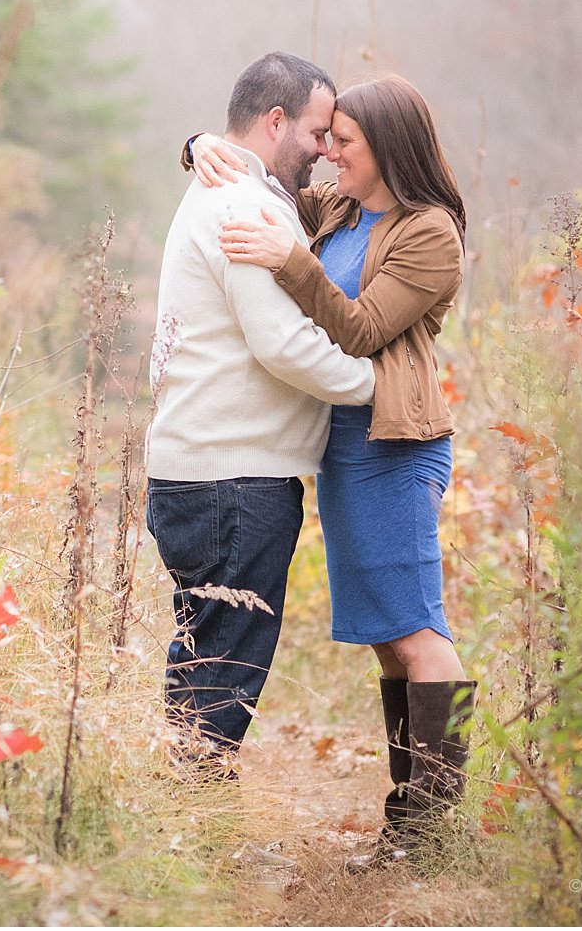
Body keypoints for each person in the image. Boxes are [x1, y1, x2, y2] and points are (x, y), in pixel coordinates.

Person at [187, 72, 475, 860]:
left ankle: (428, 830)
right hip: (343, 449)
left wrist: (290, 261)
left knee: (418, 631)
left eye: (343, 142)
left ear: (387, 148)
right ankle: (410, 821)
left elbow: (359, 329)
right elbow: (271, 182)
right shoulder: (342, 208)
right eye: (328, 138)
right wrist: (201, 147)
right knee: (389, 636)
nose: (327, 155)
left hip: (396, 447)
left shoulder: (428, 233)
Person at [143, 52, 376, 774]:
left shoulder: (223, 191)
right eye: (314, 131)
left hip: (201, 472)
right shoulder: (242, 204)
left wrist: (194, 143)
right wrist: (373, 385)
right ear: (275, 122)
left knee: (203, 660)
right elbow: (282, 343)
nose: (323, 149)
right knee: (222, 677)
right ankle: (193, 834)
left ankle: (182, 826)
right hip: (233, 482)